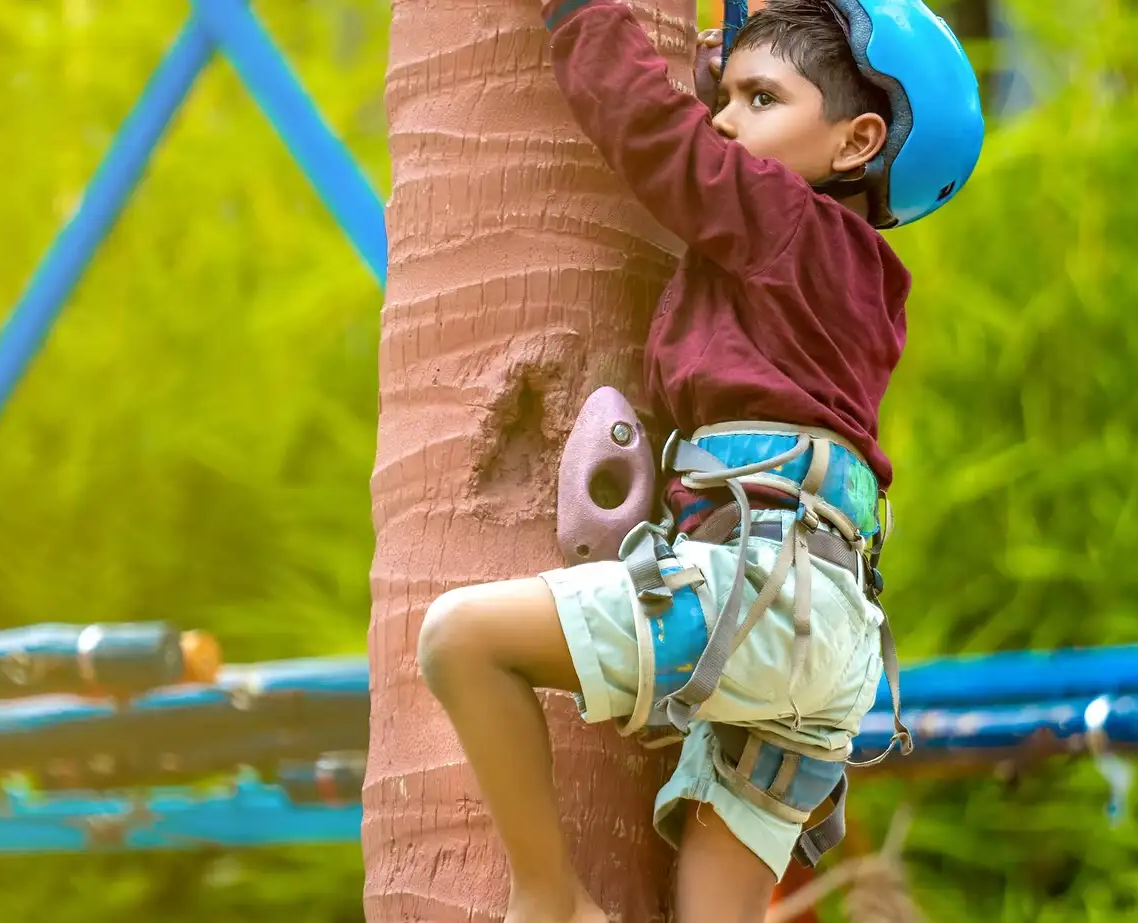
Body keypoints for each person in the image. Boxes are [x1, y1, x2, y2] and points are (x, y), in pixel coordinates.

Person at [415, 2, 984, 921]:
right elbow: (722, 152)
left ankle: (550, 898)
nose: (721, 120)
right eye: (724, 99)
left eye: (760, 99)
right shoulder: (847, 274)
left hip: (758, 597)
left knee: (461, 639)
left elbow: (657, 137)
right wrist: (733, 82)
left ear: (857, 140)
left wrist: (579, 15)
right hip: (825, 634)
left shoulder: (785, 224)